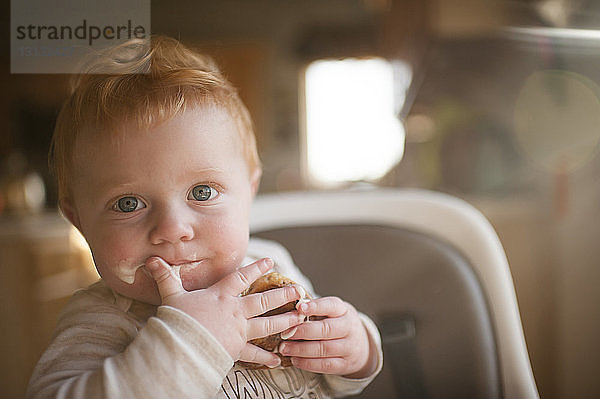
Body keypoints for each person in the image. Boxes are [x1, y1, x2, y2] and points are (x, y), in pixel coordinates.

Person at [26, 36, 383, 398]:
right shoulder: (101, 321)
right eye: (128, 204)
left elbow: (331, 370)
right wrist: (193, 341)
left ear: (250, 191)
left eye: (202, 192)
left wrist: (356, 349)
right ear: (80, 222)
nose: (172, 229)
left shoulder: (270, 266)